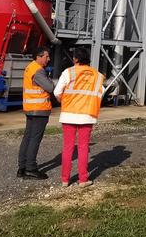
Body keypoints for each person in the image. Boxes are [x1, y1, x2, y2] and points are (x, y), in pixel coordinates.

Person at [54, 46, 105, 188]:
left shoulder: (68, 72)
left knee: (68, 147)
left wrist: (64, 100)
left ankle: (65, 179)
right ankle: (83, 179)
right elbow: (102, 92)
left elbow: (57, 91)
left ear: (75, 58)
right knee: (83, 147)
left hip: (69, 114)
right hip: (87, 115)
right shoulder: (97, 75)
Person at [17, 47, 55, 180]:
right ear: (39, 57)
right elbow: (50, 87)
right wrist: (51, 80)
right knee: (34, 139)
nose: (48, 59)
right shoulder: (38, 71)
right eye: (47, 56)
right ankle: (31, 168)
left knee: (27, 137)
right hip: (39, 109)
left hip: (30, 108)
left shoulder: (30, 67)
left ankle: (22, 167)